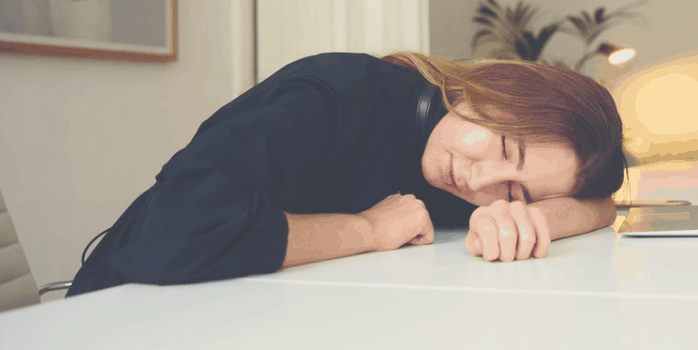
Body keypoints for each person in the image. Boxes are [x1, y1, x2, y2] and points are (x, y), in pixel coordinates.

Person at [66, 51, 626, 296]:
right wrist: (366, 231)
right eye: (504, 146)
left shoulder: (456, 164)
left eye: (511, 188)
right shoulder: (336, 95)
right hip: (124, 309)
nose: (481, 183)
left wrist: (526, 217)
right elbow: (184, 226)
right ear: (497, 86)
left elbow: (602, 205)